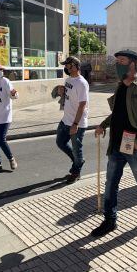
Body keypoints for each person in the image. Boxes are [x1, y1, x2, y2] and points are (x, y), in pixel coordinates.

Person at [91, 49, 137, 237]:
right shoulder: (120, 86)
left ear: (133, 64)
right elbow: (118, 113)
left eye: (122, 60)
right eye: (116, 61)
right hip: (116, 144)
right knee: (111, 183)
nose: (117, 64)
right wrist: (103, 125)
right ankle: (109, 220)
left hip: (135, 145)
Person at [56, 56, 89, 184]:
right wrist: (61, 92)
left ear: (75, 66)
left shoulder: (82, 83)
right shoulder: (68, 80)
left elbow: (82, 105)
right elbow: (68, 96)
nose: (66, 68)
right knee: (60, 143)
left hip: (77, 123)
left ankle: (76, 172)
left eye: (68, 65)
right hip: (66, 120)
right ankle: (78, 160)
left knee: (77, 149)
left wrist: (75, 124)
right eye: (65, 66)